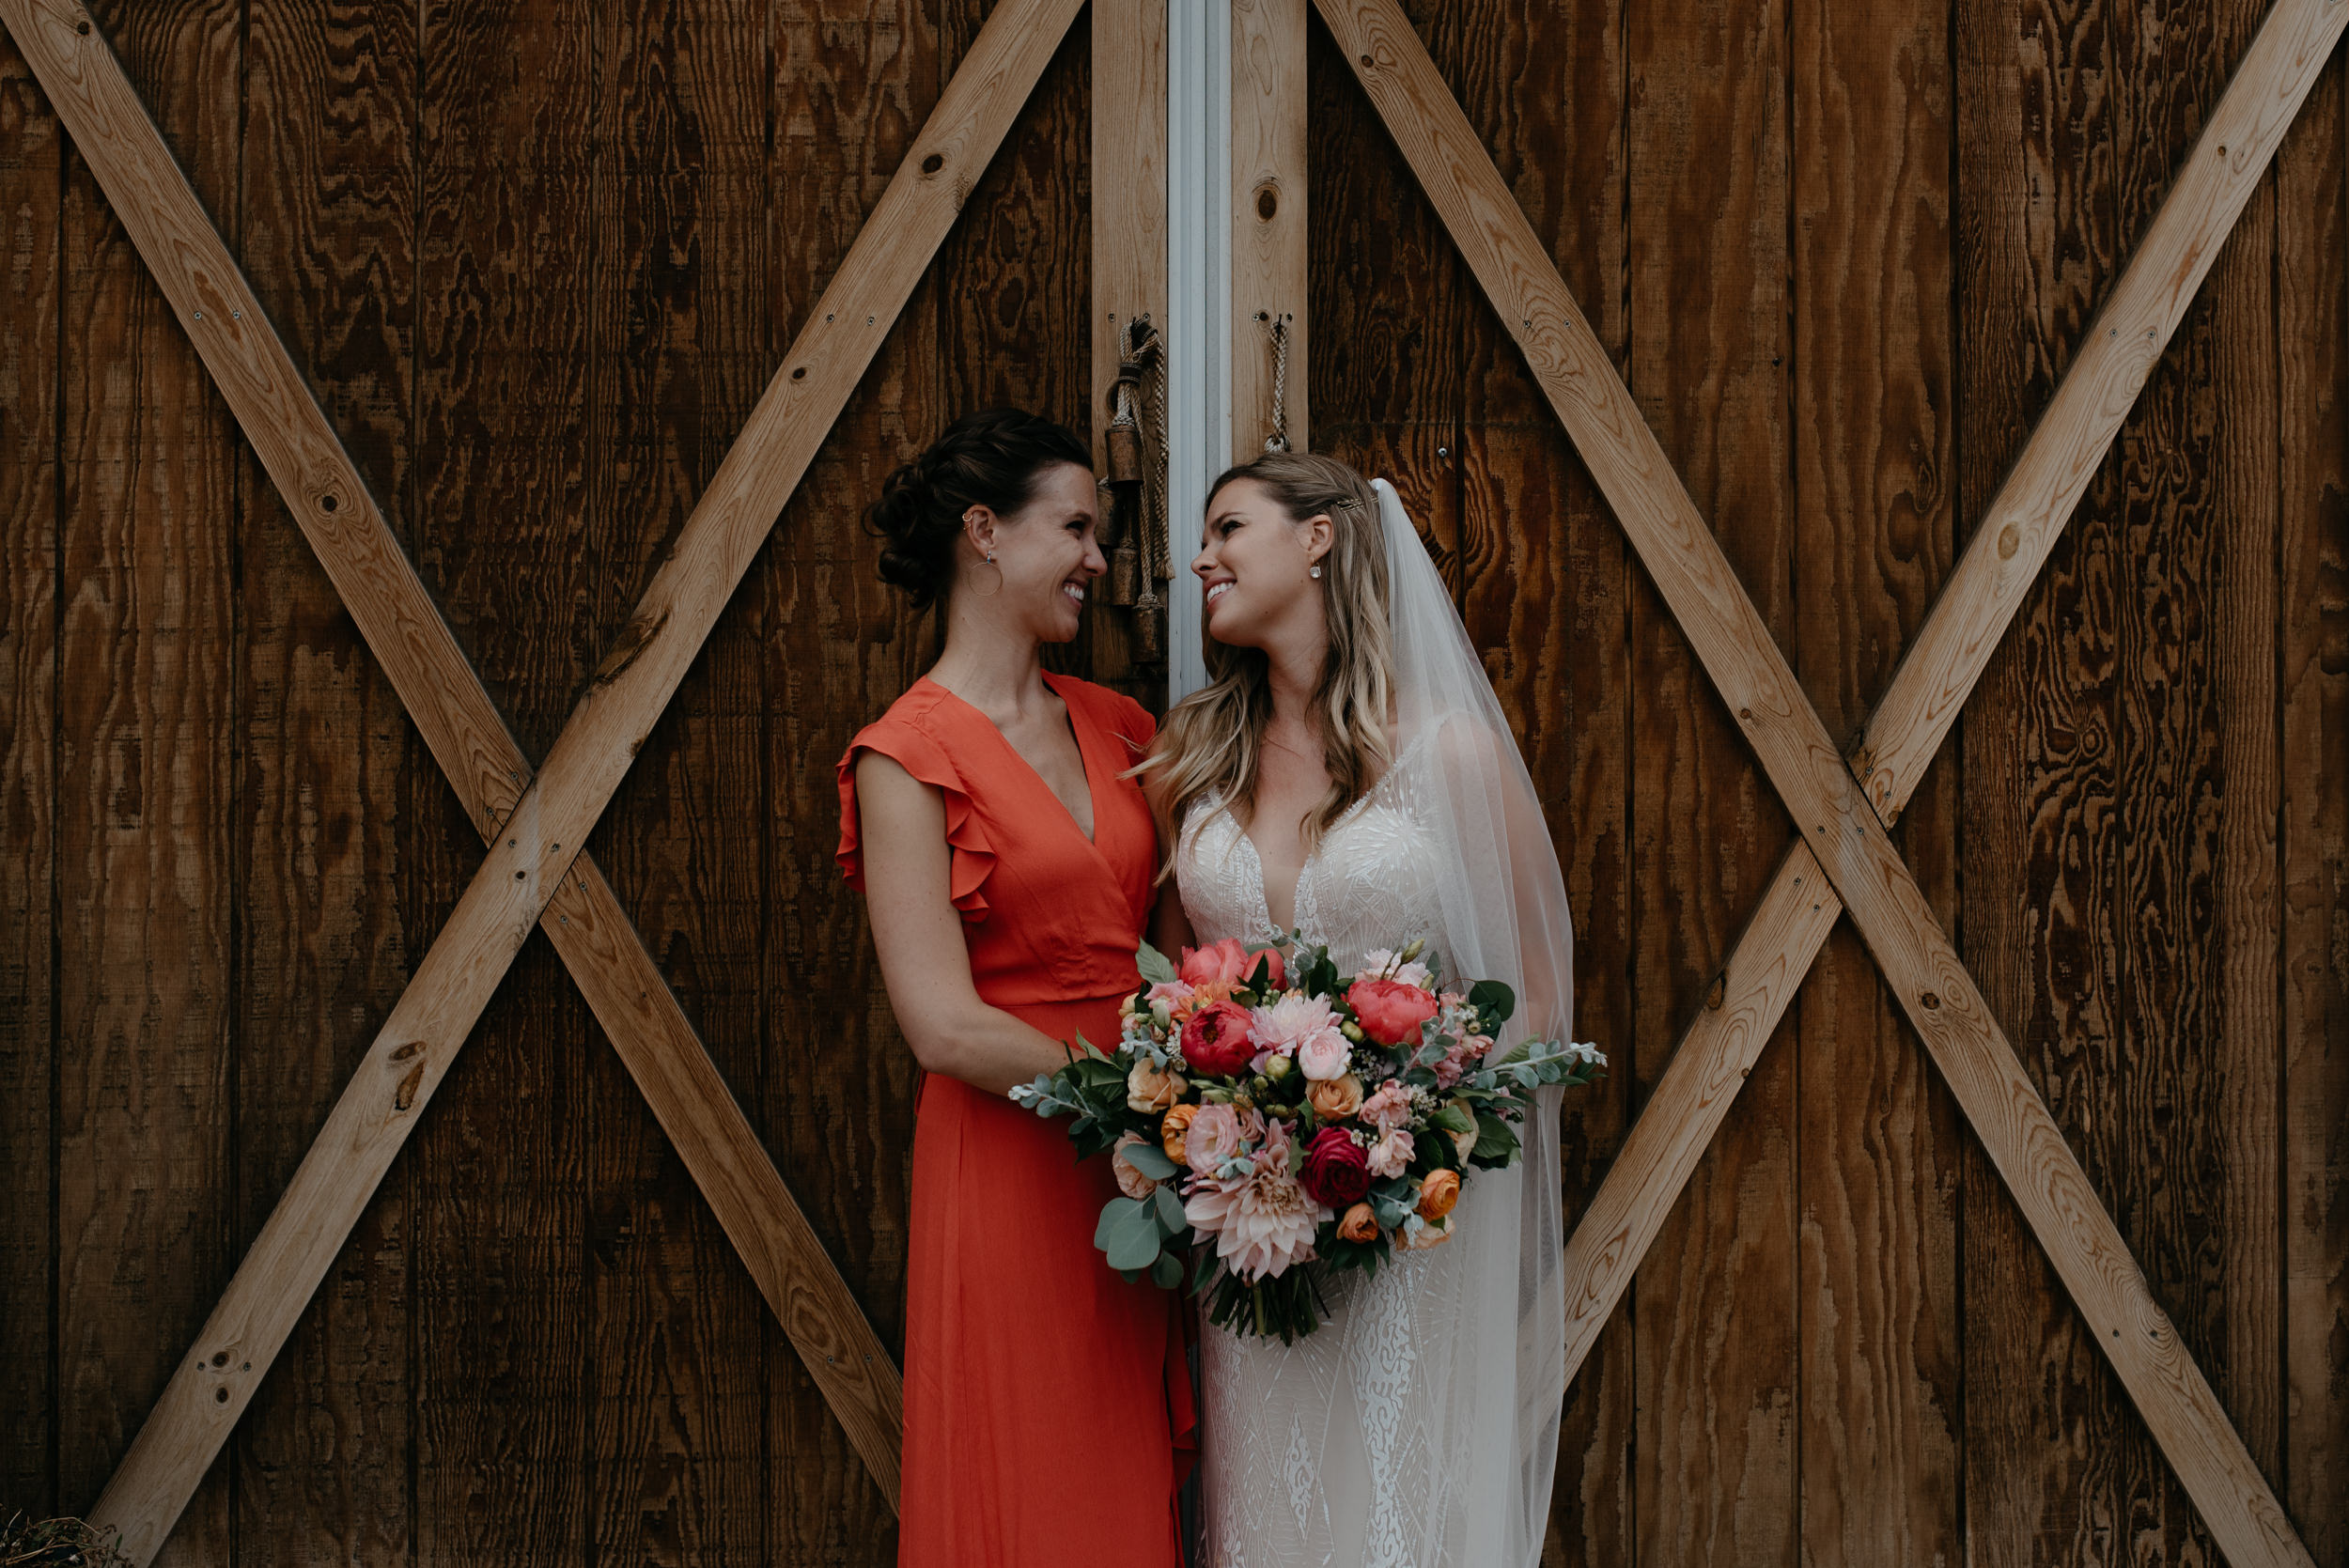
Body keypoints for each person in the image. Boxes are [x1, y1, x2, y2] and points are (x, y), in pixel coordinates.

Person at [1141, 452, 1575, 1567]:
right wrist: (1216, 1127)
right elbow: (1182, 988)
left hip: (1406, 1225)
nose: (1203, 558)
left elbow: (1531, 990)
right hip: (1252, 1224)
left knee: (1393, 1498)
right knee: (1269, 1498)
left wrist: (1410, 1130)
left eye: (1229, 528)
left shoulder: (1450, 755)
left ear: (1320, 539)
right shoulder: (1196, 758)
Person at [835, 408, 1194, 1566]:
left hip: (1146, 1165)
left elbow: (1186, 952)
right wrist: (1140, 1089)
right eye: (1078, 528)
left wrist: (1226, 1087)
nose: (1100, 558)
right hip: (1011, 1158)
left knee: (1125, 1471)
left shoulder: (1121, 725)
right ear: (984, 534)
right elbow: (940, 1025)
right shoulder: (904, 755)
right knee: (1028, 1469)